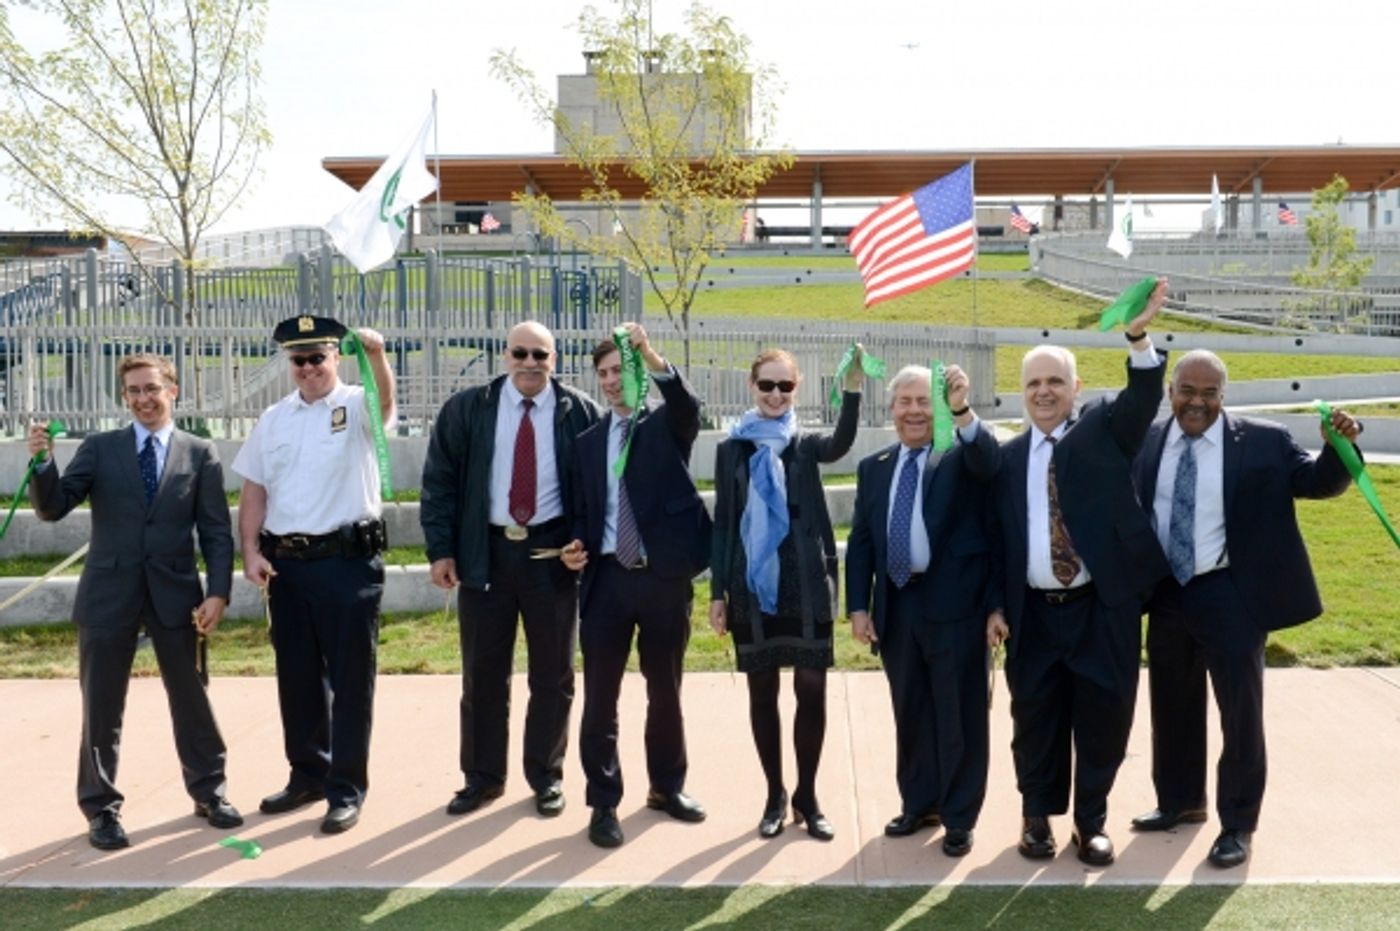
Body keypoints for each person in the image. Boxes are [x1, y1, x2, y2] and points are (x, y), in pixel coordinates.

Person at [1129, 350, 1361, 868]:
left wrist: (1339, 447)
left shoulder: (1263, 441)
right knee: (1171, 703)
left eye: (1209, 393)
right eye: (1188, 391)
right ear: (1170, 392)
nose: (1197, 402)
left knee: (1240, 713)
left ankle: (1237, 824)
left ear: (1223, 396)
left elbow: (1318, 483)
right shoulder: (1148, 440)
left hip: (1231, 594)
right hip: (1167, 592)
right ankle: (1180, 800)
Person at [985, 279, 1170, 867]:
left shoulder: (1103, 434)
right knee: (1034, 719)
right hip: (1033, 615)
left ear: (1076, 388)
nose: (1044, 392)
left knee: (1104, 718)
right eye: (1033, 384)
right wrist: (995, 606)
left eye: (1055, 382)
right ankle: (1036, 818)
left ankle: (1091, 823)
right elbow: (996, 543)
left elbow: (1143, 399)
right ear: (1022, 393)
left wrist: (1137, 338)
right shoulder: (1007, 460)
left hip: (1100, 608)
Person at [28, 353, 238, 850]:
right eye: (134, 391)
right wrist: (43, 463)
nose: (143, 399)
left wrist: (218, 592)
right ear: (125, 397)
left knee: (192, 698)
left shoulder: (200, 452)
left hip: (177, 597)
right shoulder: (101, 448)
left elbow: (215, 531)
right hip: (108, 595)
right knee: (101, 706)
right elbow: (53, 507)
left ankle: (209, 791)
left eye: (152, 388)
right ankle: (101, 808)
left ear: (173, 390)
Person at [421, 320, 600, 819]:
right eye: (520, 353)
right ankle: (482, 778)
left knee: (553, 676)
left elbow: (595, 489)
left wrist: (581, 541)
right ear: (505, 355)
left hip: (551, 558)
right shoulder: (467, 409)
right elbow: (439, 483)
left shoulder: (580, 412)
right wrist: (441, 550)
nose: (530, 363)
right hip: (487, 554)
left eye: (540, 355)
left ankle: (546, 776)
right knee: (482, 675)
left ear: (554, 360)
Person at [233, 315, 394, 835]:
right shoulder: (274, 418)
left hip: (347, 563)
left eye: (317, 358)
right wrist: (250, 551)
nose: (308, 368)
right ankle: (307, 775)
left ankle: (345, 788)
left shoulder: (355, 403)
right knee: (298, 679)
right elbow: (255, 488)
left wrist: (377, 359)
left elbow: (384, 406)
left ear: (335, 357)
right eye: (298, 360)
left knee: (350, 681)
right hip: (287, 566)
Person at [561, 323, 712, 848]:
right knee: (600, 698)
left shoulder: (666, 425)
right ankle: (603, 802)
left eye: (618, 371)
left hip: (663, 577)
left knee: (664, 691)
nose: (609, 381)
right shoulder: (586, 443)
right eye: (602, 373)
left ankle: (667, 788)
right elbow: (581, 511)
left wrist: (647, 353)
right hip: (606, 582)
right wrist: (574, 545)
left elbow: (688, 405)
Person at [709, 348, 862, 841]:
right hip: (752, 584)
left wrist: (853, 390)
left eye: (786, 386)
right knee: (763, 691)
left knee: (811, 688)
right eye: (767, 385)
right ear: (751, 386)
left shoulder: (805, 444)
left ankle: (807, 796)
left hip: (807, 579)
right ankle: (774, 794)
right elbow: (724, 524)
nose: (776, 395)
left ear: (797, 390)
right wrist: (717, 593)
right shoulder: (731, 449)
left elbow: (841, 443)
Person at [846, 363, 997, 858]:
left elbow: (989, 461)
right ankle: (919, 803)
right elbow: (862, 542)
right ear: (890, 409)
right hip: (897, 606)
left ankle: (959, 817)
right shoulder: (874, 466)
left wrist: (960, 408)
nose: (914, 411)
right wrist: (858, 607)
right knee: (910, 712)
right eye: (904, 402)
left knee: (959, 716)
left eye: (923, 402)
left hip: (955, 607)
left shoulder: (957, 456)